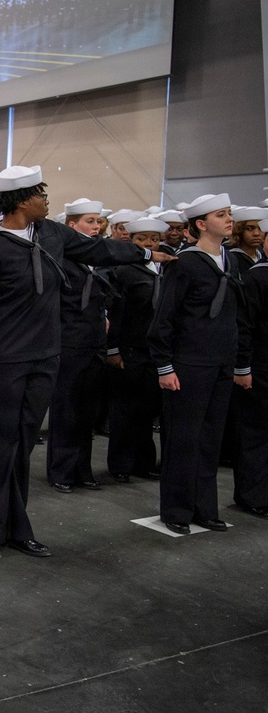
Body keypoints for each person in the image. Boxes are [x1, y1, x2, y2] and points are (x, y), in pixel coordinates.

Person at [0, 166, 174, 563]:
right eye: (41, 194)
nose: (47, 200)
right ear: (22, 201)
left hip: (44, 358)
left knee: (23, 446)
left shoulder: (52, 235)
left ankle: (17, 529)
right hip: (2, 362)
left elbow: (99, 249)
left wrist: (143, 253)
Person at [148, 194, 242, 535]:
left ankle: (204, 507)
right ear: (201, 224)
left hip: (219, 363)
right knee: (182, 439)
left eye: (229, 214)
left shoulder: (228, 260)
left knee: (210, 439)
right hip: (188, 364)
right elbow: (165, 317)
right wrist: (164, 366)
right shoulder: (184, 263)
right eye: (221, 215)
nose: (229, 219)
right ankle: (175, 509)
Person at [46, 198, 110, 493]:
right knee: (66, 409)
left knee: (87, 410)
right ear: (72, 226)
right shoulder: (63, 258)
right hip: (69, 340)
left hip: (94, 341)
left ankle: (83, 468)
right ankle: (61, 469)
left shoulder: (99, 258)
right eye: (89, 221)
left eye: (98, 222)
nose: (96, 226)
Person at [105, 217, 167, 483]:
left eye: (153, 238)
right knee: (124, 410)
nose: (149, 243)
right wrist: (113, 349)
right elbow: (116, 314)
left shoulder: (165, 269)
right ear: (132, 240)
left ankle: (144, 462)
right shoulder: (124, 271)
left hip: (155, 351)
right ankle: (120, 463)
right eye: (143, 238)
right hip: (130, 349)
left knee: (147, 411)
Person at [233, 217, 268, 519]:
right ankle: (252, 495)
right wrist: (242, 366)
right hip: (260, 365)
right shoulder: (258, 277)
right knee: (256, 433)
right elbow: (245, 325)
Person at [227, 206, 267, 278]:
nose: (256, 233)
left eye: (261, 228)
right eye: (249, 229)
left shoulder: (263, 256)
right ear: (239, 230)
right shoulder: (231, 258)